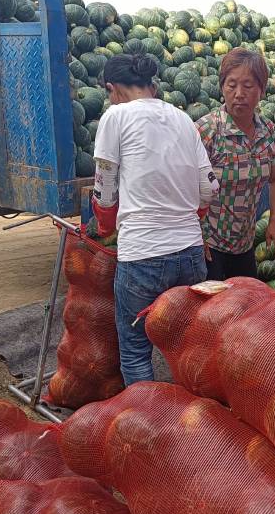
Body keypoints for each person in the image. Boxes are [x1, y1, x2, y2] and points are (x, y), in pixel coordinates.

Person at [92, 53, 217, 385]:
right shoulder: (183, 119)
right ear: (153, 85)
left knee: (135, 352)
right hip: (190, 254)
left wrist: (104, 226)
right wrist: (192, 216)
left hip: (142, 257)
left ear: (111, 88)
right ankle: (194, 421)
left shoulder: (115, 116)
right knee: (187, 346)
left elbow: (104, 190)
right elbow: (209, 187)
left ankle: (152, 426)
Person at [196, 47, 275, 280]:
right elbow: (181, 186)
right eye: (231, 84)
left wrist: (274, 223)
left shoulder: (268, 132)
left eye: (248, 86)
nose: (239, 93)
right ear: (222, 87)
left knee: (245, 307)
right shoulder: (206, 130)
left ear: (262, 90)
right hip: (208, 245)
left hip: (244, 244)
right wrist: (194, 236)